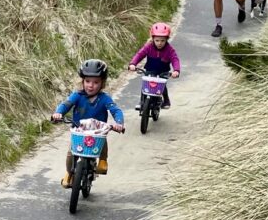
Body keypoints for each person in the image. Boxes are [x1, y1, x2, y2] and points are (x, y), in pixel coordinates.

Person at [50, 58, 125, 186]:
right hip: (79, 131)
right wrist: (59, 113)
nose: (91, 85)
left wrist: (119, 123)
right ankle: (69, 173)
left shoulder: (104, 98)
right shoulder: (77, 95)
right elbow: (66, 104)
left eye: (96, 82)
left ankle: (103, 160)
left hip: (97, 131)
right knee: (71, 154)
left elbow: (116, 110)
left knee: (102, 140)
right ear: (82, 81)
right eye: (87, 81)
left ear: (102, 83)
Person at [128, 22, 181, 109]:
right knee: (145, 86)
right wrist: (133, 64)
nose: (160, 43)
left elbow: (175, 59)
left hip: (163, 72)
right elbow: (139, 54)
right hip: (150, 70)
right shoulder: (149, 47)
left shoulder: (169, 50)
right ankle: (142, 102)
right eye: (157, 40)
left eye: (162, 41)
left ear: (167, 39)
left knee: (162, 86)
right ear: (153, 39)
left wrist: (176, 70)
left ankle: (166, 100)